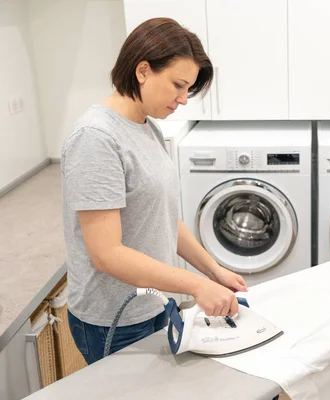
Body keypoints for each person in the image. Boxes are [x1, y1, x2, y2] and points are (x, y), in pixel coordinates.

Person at [61, 17, 247, 365]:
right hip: (113, 321)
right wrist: (195, 286)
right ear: (143, 70)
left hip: (154, 303)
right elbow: (107, 253)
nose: (183, 99)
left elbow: (162, 218)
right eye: (178, 85)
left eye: (188, 89)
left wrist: (213, 270)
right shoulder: (96, 138)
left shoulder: (147, 128)